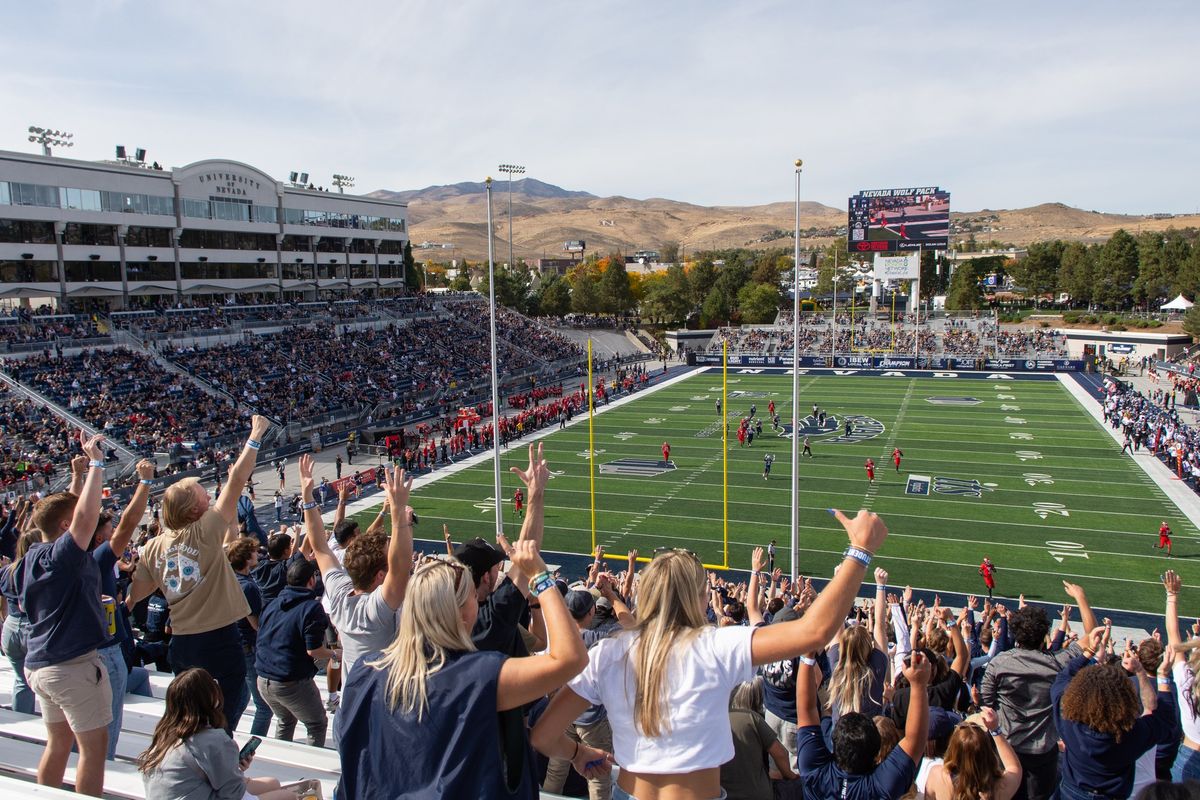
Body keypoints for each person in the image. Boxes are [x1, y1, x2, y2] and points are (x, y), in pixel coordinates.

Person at [532, 507, 890, 800]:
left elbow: (544, 735)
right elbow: (815, 631)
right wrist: (859, 551)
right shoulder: (716, 645)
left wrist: (578, 754)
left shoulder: (607, 654)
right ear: (699, 598)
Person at [335, 539, 596, 799]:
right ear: (459, 613)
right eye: (472, 596)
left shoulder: (364, 672)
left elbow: (356, 762)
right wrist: (541, 578)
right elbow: (571, 658)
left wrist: (577, 752)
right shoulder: (476, 676)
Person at [126, 415, 272, 735]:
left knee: (190, 707)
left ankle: (194, 747)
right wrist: (255, 435)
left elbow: (136, 594)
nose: (209, 496)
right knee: (234, 698)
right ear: (193, 511)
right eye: (202, 494)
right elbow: (236, 482)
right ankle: (217, 750)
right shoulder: (205, 531)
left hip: (182, 640)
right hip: (218, 638)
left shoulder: (152, 547)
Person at [19, 431, 111, 796]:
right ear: (64, 527)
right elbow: (85, 517)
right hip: (70, 667)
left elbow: (61, 513)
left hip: (40, 664)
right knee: (93, 748)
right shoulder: (62, 558)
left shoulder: (28, 558)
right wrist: (96, 465)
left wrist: (76, 478)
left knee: (57, 742)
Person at [297, 455, 411, 682]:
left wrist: (307, 497)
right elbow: (401, 566)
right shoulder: (377, 608)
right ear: (380, 575)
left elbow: (319, 547)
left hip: (351, 700)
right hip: (380, 701)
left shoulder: (340, 595)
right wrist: (398, 515)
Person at [981, 588, 1092, 800]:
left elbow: (987, 703)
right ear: (1044, 636)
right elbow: (1093, 637)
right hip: (1041, 752)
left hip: (1006, 745)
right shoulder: (1058, 663)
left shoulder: (999, 663)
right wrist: (1081, 597)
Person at [82, 457, 155, 760]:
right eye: (108, 529)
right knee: (106, 731)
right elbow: (129, 522)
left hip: (81, 650)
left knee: (84, 729)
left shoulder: (65, 556)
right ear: (99, 536)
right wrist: (146, 481)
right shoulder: (98, 557)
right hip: (106, 650)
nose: (114, 532)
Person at [1053, 625, 1178, 799]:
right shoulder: (1132, 734)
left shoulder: (1066, 720)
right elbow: (1166, 719)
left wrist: (1089, 651)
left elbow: (1062, 678)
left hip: (1071, 792)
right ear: (1123, 700)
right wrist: (1154, 673)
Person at [139, 668, 297, 800]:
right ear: (209, 698)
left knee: (273, 782)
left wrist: (235, 768)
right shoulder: (214, 739)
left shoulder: (166, 734)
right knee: (288, 796)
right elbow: (233, 794)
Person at [797, 649, 932, 800]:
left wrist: (808, 656)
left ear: (834, 742)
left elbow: (807, 711)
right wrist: (919, 685)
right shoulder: (880, 786)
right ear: (876, 750)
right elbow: (915, 741)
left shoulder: (815, 771)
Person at [255, 558, 336, 747]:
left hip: (263, 679)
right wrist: (334, 654)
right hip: (288, 681)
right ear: (311, 580)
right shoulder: (312, 607)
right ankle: (308, 773)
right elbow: (313, 650)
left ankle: (284, 758)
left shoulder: (273, 603)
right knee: (316, 724)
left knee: (286, 720)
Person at [720, 678, 797, 800]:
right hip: (761, 794)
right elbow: (780, 753)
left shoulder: (708, 728)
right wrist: (791, 777)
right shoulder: (750, 718)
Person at [924, 708, 1023, 800]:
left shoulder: (938, 776)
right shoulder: (1000, 787)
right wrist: (995, 730)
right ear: (988, 752)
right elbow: (1014, 767)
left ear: (953, 749)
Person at [227, 537, 272, 738]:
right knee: (264, 707)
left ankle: (227, 735)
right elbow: (256, 625)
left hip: (234, 644)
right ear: (246, 558)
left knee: (241, 698)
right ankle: (252, 748)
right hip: (249, 648)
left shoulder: (229, 580)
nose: (257, 554)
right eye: (253, 552)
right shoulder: (248, 587)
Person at [0, 530, 40, 714]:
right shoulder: (39, 571)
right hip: (32, 628)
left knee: (21, 681)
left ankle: (21, 728)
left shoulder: (7, 571)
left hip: (10, 627)